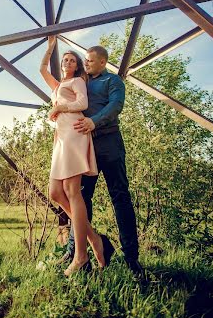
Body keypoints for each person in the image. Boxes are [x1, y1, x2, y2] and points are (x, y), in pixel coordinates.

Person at [62, 44, 142, 276]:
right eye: (84, 60)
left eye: (89, 60)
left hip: (109, 144)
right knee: (81, 197)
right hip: (85, 146)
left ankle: (131, 258)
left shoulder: (113, 82)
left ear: (102, 62)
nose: (85, 63)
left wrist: (94, 121)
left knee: (120, 197)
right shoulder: (81, 80)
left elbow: (116, 106)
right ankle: (75, 252)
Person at [40, 37, 113, 276]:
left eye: (73, 60)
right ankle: (93, 239)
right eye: (65, 59)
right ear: (61, 63)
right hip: (60, 139)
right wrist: (51, 46)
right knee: (55, 192)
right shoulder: (58, 84)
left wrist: (61, 107)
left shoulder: (78, 81)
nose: (68, 61)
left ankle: (81, 256)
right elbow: (42, 69)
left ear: (77, 65)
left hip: (75, 133)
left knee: (72, 191)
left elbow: (82, 102)